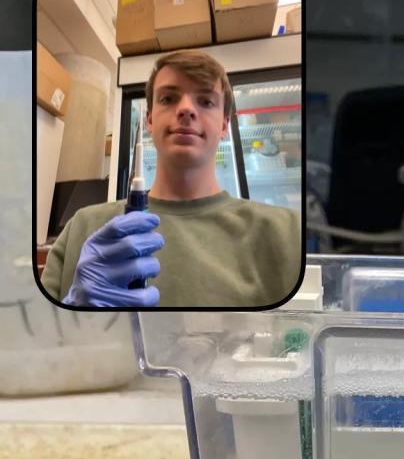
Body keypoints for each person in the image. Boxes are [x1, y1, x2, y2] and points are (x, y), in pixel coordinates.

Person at [41, 50, 301, 308]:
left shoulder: (288, 233)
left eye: (206, 101)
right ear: (150, 120)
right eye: (168, 98)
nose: (186, 109)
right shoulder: (82, 228)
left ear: (224, 126)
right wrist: (72, 312)